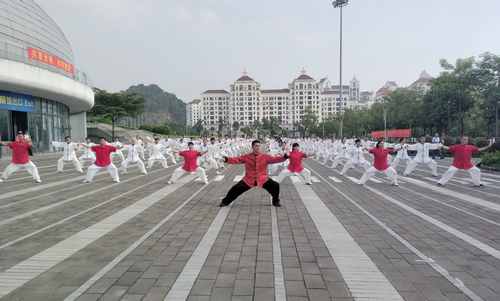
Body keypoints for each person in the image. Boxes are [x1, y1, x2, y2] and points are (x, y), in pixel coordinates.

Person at [219, 140, 290, 207]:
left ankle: (276, 201)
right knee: (235, 188)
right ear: (252, 147)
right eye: (256, 146)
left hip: (262, 179)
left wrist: (285, 156)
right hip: (249, 179)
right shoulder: (247, 156)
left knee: (275, 185)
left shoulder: (265, 156)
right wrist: (226, 159)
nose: (258, 147)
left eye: (259, 146)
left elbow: (275, 159)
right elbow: (237, 159)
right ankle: (225, 201)